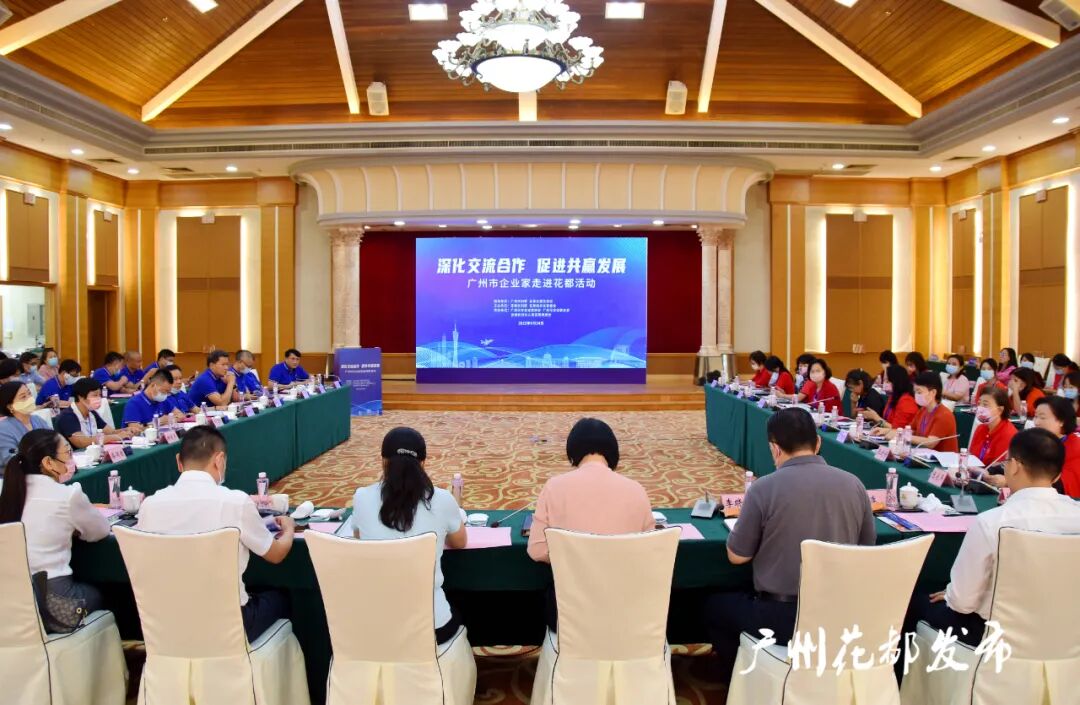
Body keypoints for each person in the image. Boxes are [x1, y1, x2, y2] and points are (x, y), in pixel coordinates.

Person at [705, 408, 875, 675]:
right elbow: (867, 551)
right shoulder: (854, 485)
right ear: (818, 443)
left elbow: (737, 556)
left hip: (781, 618)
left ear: (774, 448)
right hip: (839, 615)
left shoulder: (763, 488)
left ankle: (745, 680)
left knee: (713, 606)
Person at [911, 429, 1080, 646]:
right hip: (1065, 634)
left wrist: (952, 594)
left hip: (994, 636)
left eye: (1006, 461)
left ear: (1015, 466)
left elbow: (962, 603)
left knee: (916, 601)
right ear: (1056, 476)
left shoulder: (992, 522)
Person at [135, 426, 296, 642]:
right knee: (282, 597)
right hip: (229, 627)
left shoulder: (150, 505)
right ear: (219, 460)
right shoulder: (235, 502)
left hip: (167, 625)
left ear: (178, 461)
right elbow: (276, 554)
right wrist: (289, 528)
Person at [528, 418, 654, 631]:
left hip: (571, 614)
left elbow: (537, 550)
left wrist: (576, 555)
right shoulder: (636, 489)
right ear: (613, 452)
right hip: (627, 610)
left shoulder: (554, 487)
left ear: (572, 452)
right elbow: (649, 549)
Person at [350, 427, 468, 644]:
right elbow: (459, 542)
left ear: (383, 461)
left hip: (374, 627)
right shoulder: (442, 499)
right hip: (431, 627)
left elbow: (359, 538)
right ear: (422, 463)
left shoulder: (362, 497)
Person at [0, 429, 110, 612]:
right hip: (54, 602)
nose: (71, 459)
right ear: (48, 462)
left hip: (11, 604)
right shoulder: (67, 495)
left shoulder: (10, 493)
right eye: (68, 452)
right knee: (108, 593)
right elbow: (100, 531)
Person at [891, 371, 958, 452]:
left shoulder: (944, 415)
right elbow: (910, 430)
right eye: (915, 392)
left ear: (933, 392)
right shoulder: (923, 410)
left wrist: (903, 436)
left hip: (942, 458)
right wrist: (888, 432)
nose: (916, 395)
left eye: (919, 392)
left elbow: (930, 443)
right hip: (922, 454)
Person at [54, 378, 130, 448]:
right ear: (81, 397)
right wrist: (114, 437)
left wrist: (127, 430)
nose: (99, 398)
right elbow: (81, 443)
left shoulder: (91, 412)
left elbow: (111, 432)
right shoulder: (67, 416)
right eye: (95, 395)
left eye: (99, 395)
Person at [1033, 397, 1080, 498]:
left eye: (1042, 418)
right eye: (1035, 416)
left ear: (1061, 421)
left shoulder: (1075, 448)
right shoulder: (1042, 441)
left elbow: (1061, 485)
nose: (1036, 422)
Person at [0, 382, 53, 471]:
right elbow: (11, 461)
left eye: (29, 393)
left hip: (47, 468)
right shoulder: (3, 429)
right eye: (23, 397)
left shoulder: (37, 419)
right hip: (20, 474)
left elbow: (55, 441)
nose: (30, 399)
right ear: (10, 406)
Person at [969, 386, 1018, 479]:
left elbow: (998, 468)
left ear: (1000, 410)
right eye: (979, 404)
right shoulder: (981, 428)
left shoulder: (1008, 434)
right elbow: (971, 456)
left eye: (985, 405)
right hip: (975, 475)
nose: (980, 408)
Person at [865, 364, 918, 432]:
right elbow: (887, 421)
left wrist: (876, 417)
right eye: (884, 381)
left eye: (887, 381)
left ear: (896, 381)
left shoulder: (907, 401)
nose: (884, 384)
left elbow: (897, 430)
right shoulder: (893, 397)